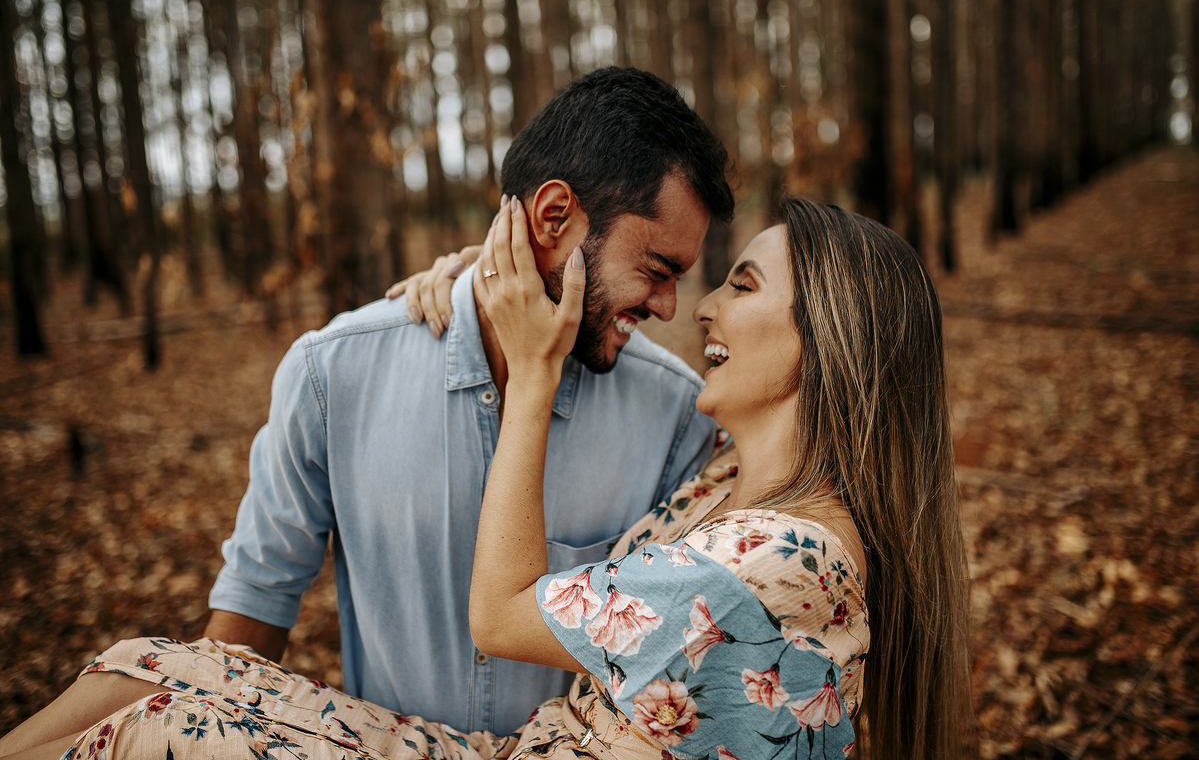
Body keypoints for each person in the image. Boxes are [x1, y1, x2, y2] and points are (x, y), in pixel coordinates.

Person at [0, 198, 972, 760]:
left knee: (148, 733)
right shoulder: (740, 489)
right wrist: (483, 286)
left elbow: (501, 611)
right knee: (149, 663)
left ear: (832, 339)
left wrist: (534, 372)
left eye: (742, 284)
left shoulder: (777, 559)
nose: (701, 305)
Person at [200, 66, 734, 735]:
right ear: (553, 216)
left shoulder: (675, 419)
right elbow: (247, 625)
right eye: (657, 270)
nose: (667, 305)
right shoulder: (333, 374)